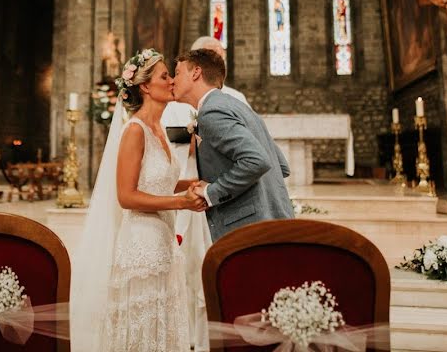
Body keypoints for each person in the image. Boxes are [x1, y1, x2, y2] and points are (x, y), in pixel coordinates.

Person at [70, 49, 206, 352]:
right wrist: (181, 202)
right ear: (145, 86)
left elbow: (160, 183)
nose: (172, 81)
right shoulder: (135, 130)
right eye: (165, 76)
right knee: (141, 333)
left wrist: (193, 184)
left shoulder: (160, 129)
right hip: (141, 249)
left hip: (164, 243)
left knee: (162, 332)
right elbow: (127, 195)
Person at [161, 35, 249, 352]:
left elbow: (249, 153)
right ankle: (187, 332)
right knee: (186, 264)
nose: (219, 58)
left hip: (221, 194)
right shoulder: (174, 104)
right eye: (213, 54)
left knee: (214, 262)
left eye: (222, 54)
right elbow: (162, 152)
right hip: (186, 190)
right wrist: (190, 140)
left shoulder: (236, 98)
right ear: (199, 63)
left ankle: (214, 332)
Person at [173, 48, 293, 242]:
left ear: (196, 72)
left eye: (177, 73)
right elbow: (281, 166)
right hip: (275, 219)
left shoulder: (212, 113)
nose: (172, 80)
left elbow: (257, 161)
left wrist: (210, 191)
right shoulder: (237, 105)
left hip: (248, 229)